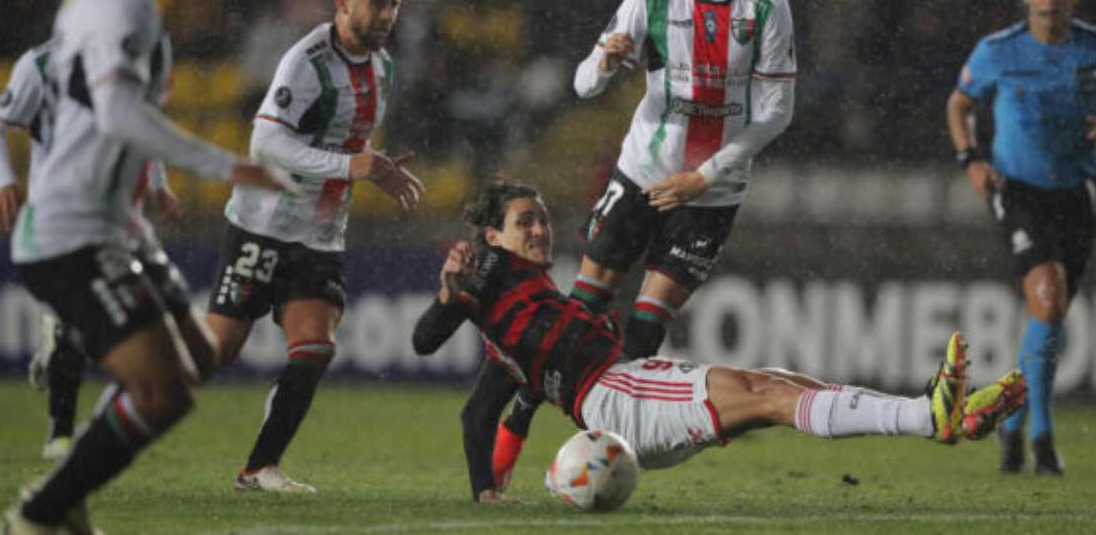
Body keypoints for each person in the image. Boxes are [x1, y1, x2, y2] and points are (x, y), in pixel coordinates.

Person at [414, 182, 1027, 503]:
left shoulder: (530, 310)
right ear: (493, 234)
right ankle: (931, 419)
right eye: (526, 220)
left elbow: (479, 412)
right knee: (765, 391)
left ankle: (938, 416)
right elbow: (426, 339)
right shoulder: (488, 280)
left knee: (781, 384)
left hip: (626, 401)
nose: (540, 227)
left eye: (543, 216)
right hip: (618, 397)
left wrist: (486, 492)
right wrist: (448, 296)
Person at [490, 0, 799, 488]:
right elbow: (584, 84)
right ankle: (521, 416)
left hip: (711, 194)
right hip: (639, 178)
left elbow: (776, 113)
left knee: (640, 337)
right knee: (577, 319)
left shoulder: (767, 7)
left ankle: (600, 460)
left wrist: (703, 177)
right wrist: (603, 65)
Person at [0, 0, 286, 532]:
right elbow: (118, 115)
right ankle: (43, 515)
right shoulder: (125, 5)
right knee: (164, 390)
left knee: (197, 359)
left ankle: (64, 486)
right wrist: (224, 165)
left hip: (115, 225)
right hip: (71, 229)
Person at [205, 0, 424, 494]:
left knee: (315, 348)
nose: (388, 15)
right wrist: (351, 166)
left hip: (321, 235)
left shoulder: (384, 67)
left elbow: (350, 140)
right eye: (377, 3)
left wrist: (375, 167)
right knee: (217, 352)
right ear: (342, 3)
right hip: (262, 227)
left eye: (394, 4)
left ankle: (259, 469)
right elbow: (267, 141)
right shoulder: (307, 61)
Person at [0, 0, 185, 462]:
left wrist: (158, 184)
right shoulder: (42, 63)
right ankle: (61, 435)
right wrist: (6, 182)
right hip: (61, 215)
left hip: (119, 211)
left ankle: (75, 413)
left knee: (139, 331)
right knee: (93, 326)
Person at [945, 0, 1096, 476]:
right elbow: (959, 104)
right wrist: (971, 161)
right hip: (1018, 188)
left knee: (1049, 315)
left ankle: (1011, 425)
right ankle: (1043, 433)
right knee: (1047, 296)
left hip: (1076, 191)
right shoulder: (998, 52)